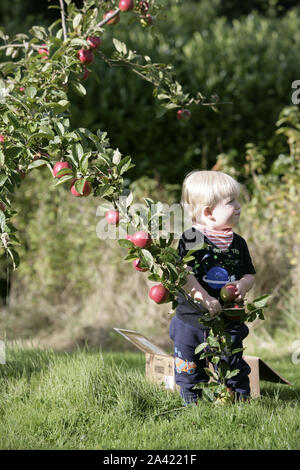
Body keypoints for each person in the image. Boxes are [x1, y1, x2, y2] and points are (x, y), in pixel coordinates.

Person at [170, 170, 256, 405]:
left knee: (233, 363)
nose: (239, 206)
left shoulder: (238, 243)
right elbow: (184, 274)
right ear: (208, 212)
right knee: (189, 366)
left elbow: (249, 273)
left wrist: (243, 285)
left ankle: (240, 400)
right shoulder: (191, 238)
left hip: (228, 318)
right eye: (231, 202)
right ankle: (191, 402)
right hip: (192, 319)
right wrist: (203, 298)